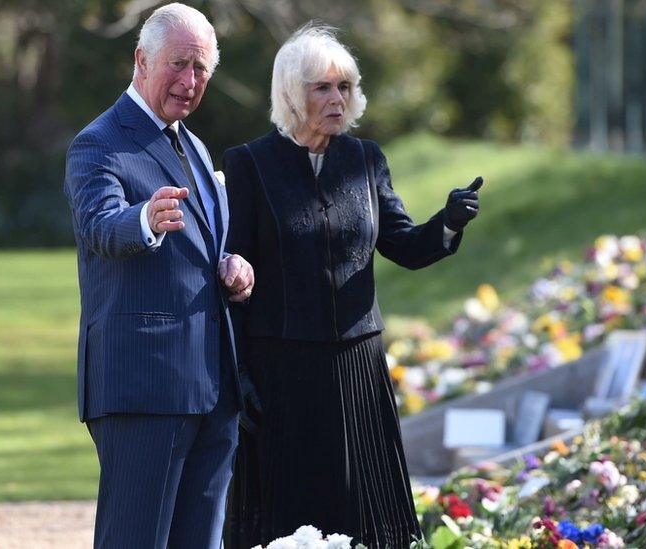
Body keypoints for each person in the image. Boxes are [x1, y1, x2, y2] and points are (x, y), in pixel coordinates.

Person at [222, 24, 482, 548]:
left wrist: (449, 222)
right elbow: (232, 275)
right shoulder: (248, 164)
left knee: (360, 514)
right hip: (280, 371)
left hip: (356, 368)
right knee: (285, 516)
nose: (338, 99)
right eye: (323, 87)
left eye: (344, 87)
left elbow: (405, 246)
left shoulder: (366, 160)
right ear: (292, 95)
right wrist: (238, 373)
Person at [63, 4, 255, 547]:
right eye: (178, 64)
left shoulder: (192, 144)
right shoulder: (99, 143)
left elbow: (198, 249)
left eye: (201, 69)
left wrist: (231, 270)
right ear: (141, 60)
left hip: (211, 388)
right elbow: (100, 227)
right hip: (143, 384)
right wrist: (143, 218)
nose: (189, 81)